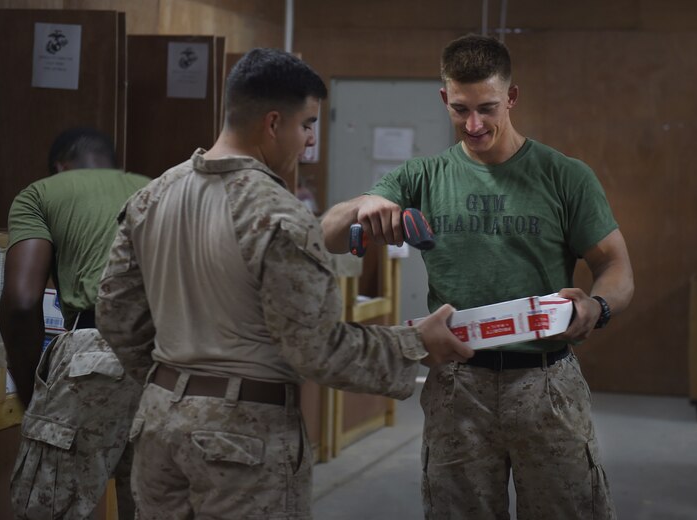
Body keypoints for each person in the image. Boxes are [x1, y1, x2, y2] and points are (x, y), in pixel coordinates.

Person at [95, 48, 473, 520]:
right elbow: (317, 349)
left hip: (157, 425)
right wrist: (417, 342)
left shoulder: (151, 197)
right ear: (273, 124)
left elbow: (115, 314)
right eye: (307, 125)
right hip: (241, 439)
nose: (310, 142)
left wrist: (177, 381)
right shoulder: (277, 216)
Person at [321, 34, 635, 520]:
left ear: (511, 98)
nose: (473, 124)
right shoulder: (421, 177)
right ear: (444, 98)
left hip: (546, 382)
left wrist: (597, 306)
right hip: (457, 385)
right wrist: (364, 205)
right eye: (460, 109)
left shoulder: (564, 176)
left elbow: (615, 266)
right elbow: (327, 234)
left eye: (487, 108)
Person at [0, 127, 150, 519]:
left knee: (47, 507)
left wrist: (33, 393)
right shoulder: (157, 188)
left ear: (58, 167)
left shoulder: (42, 193)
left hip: (95, 352)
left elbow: (21, 302)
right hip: (172, 361)